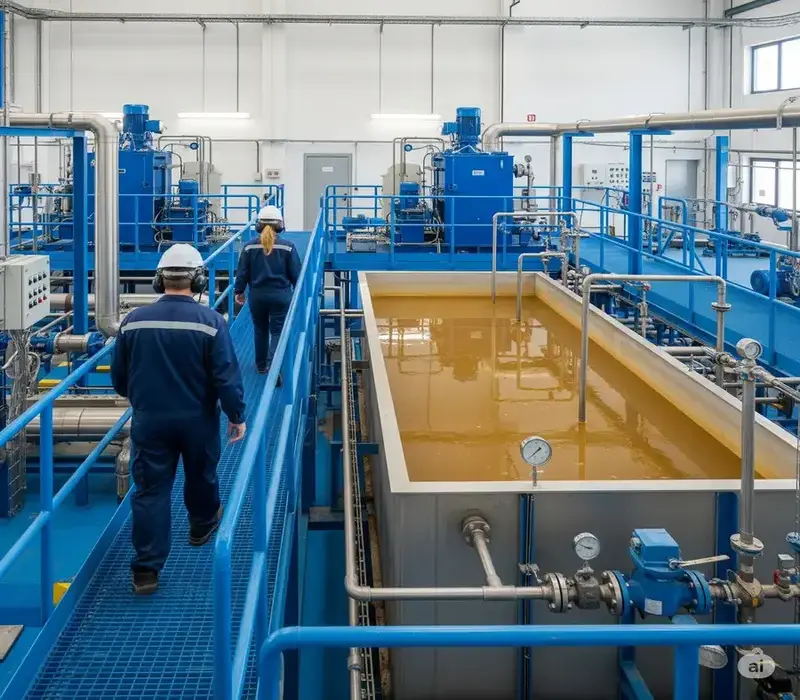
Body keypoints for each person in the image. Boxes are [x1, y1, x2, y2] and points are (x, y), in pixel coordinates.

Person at [111, 243, 247, 595]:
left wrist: (143, 401)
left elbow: (119, 377)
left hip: (150, 420)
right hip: (197, 418)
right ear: (199, 280)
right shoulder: (211, 322)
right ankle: (201, 526)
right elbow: (226, 375)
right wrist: (236, 415)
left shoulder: (133, 321)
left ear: (159, 280)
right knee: (202, 473)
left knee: (151, 490)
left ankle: (146, 571)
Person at [234, 205, 302, 378]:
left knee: (260, 329)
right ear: (280, 225)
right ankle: (274, 365)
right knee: (277, 331)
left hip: (257, 296)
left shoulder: (249, 248)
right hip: (281, 295)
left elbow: (242, 273)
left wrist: (239, 291)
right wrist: (299, 292)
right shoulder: (288, 247)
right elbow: (297, 274)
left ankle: (261, 365)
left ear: (259, 226)